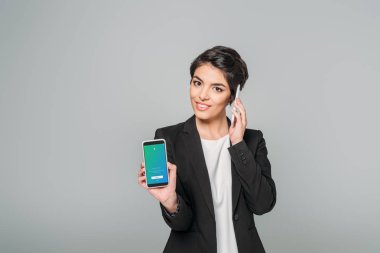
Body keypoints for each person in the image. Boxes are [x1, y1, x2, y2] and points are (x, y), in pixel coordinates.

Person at [138, 46, 276, 253]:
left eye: (217, 88)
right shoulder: (169, 138)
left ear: (233, 96)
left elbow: (263, 204)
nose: (202, 95)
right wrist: (170, 200)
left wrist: (238, 144)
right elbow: (182, 224)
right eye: (197, 83)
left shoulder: (252, 140)